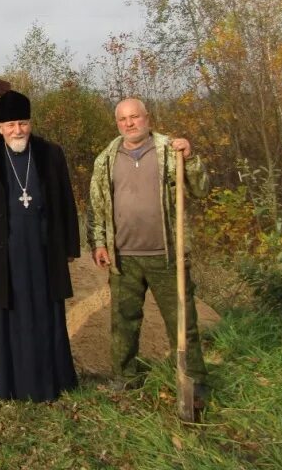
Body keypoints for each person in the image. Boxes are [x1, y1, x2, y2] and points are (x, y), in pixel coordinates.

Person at [87, 97, 211, 399]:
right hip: (124, 257)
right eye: (123, 119)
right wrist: (99, 243)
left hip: (167, 254)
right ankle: (125, 377)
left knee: (182, 321)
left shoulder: (171, 151)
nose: (129, 124)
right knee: (124, 322)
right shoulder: (106, 158)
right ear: (117, 123)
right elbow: (97, 205)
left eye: (135, 117)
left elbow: (201, 189)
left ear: (147, 118)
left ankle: (192, 384)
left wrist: (191, 158)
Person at [0, 90, 81, 402]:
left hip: (45, 250)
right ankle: (13, 383)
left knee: (48, 311)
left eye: (23, 123)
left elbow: (66, 202)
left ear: (30, 123)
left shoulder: (50, 153)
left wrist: (70, 245)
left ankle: (54, 378)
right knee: (11, 314)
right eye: (11, 125)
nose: (18, 130)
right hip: (6, 253)